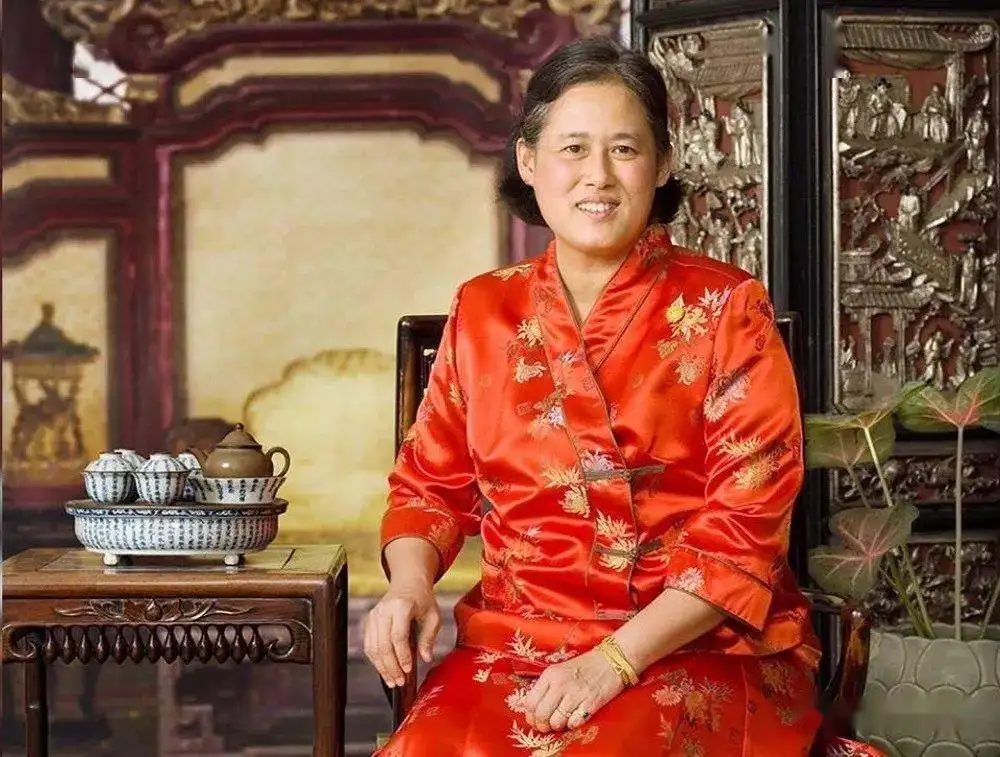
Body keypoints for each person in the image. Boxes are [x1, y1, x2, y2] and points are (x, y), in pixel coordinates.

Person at [366, 37, 870, 756]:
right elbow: (428, 485)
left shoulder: (728, 309)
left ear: (661, 164)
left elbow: (744, 531)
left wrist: (613, 662)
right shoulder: (482, 309)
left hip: (699, 648)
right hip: (514, 646)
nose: (597, 176)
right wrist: (411, 585)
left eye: (624, 150)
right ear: (529, 161)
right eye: (572, 148)